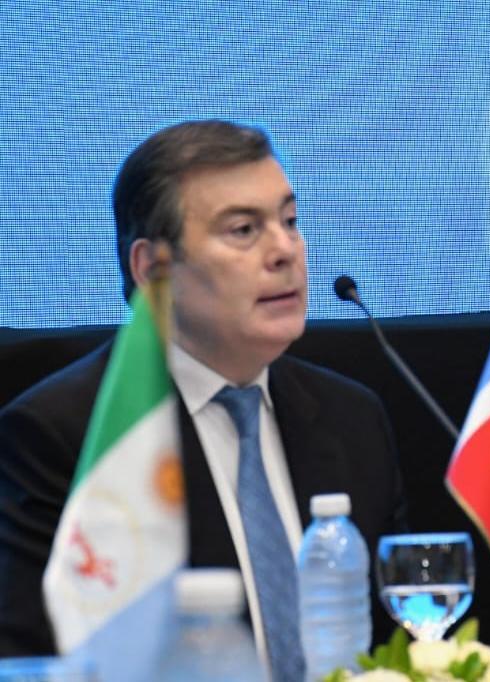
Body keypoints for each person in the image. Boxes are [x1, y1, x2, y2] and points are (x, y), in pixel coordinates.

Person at [0, 121, 407, 673]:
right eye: (243, 230)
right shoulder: (64, 434)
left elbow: (401, 649)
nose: (285, 250)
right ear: (152, 270)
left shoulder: (352, 417)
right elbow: (29, 662)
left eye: (290, 221)